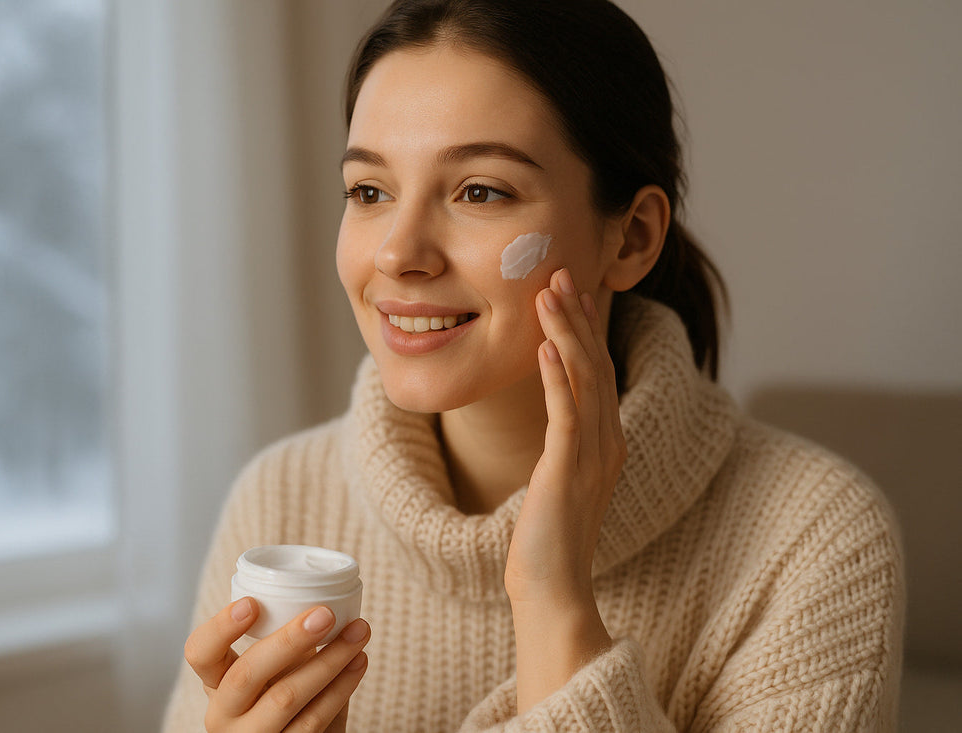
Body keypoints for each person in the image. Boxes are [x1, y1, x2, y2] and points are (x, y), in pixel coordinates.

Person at [162, 0, 904, 730]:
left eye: (480, 190)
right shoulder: (280, 503)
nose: (397, 253)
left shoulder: (818, 540)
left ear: (632, 237)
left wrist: (553, 598)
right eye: (370, 191)